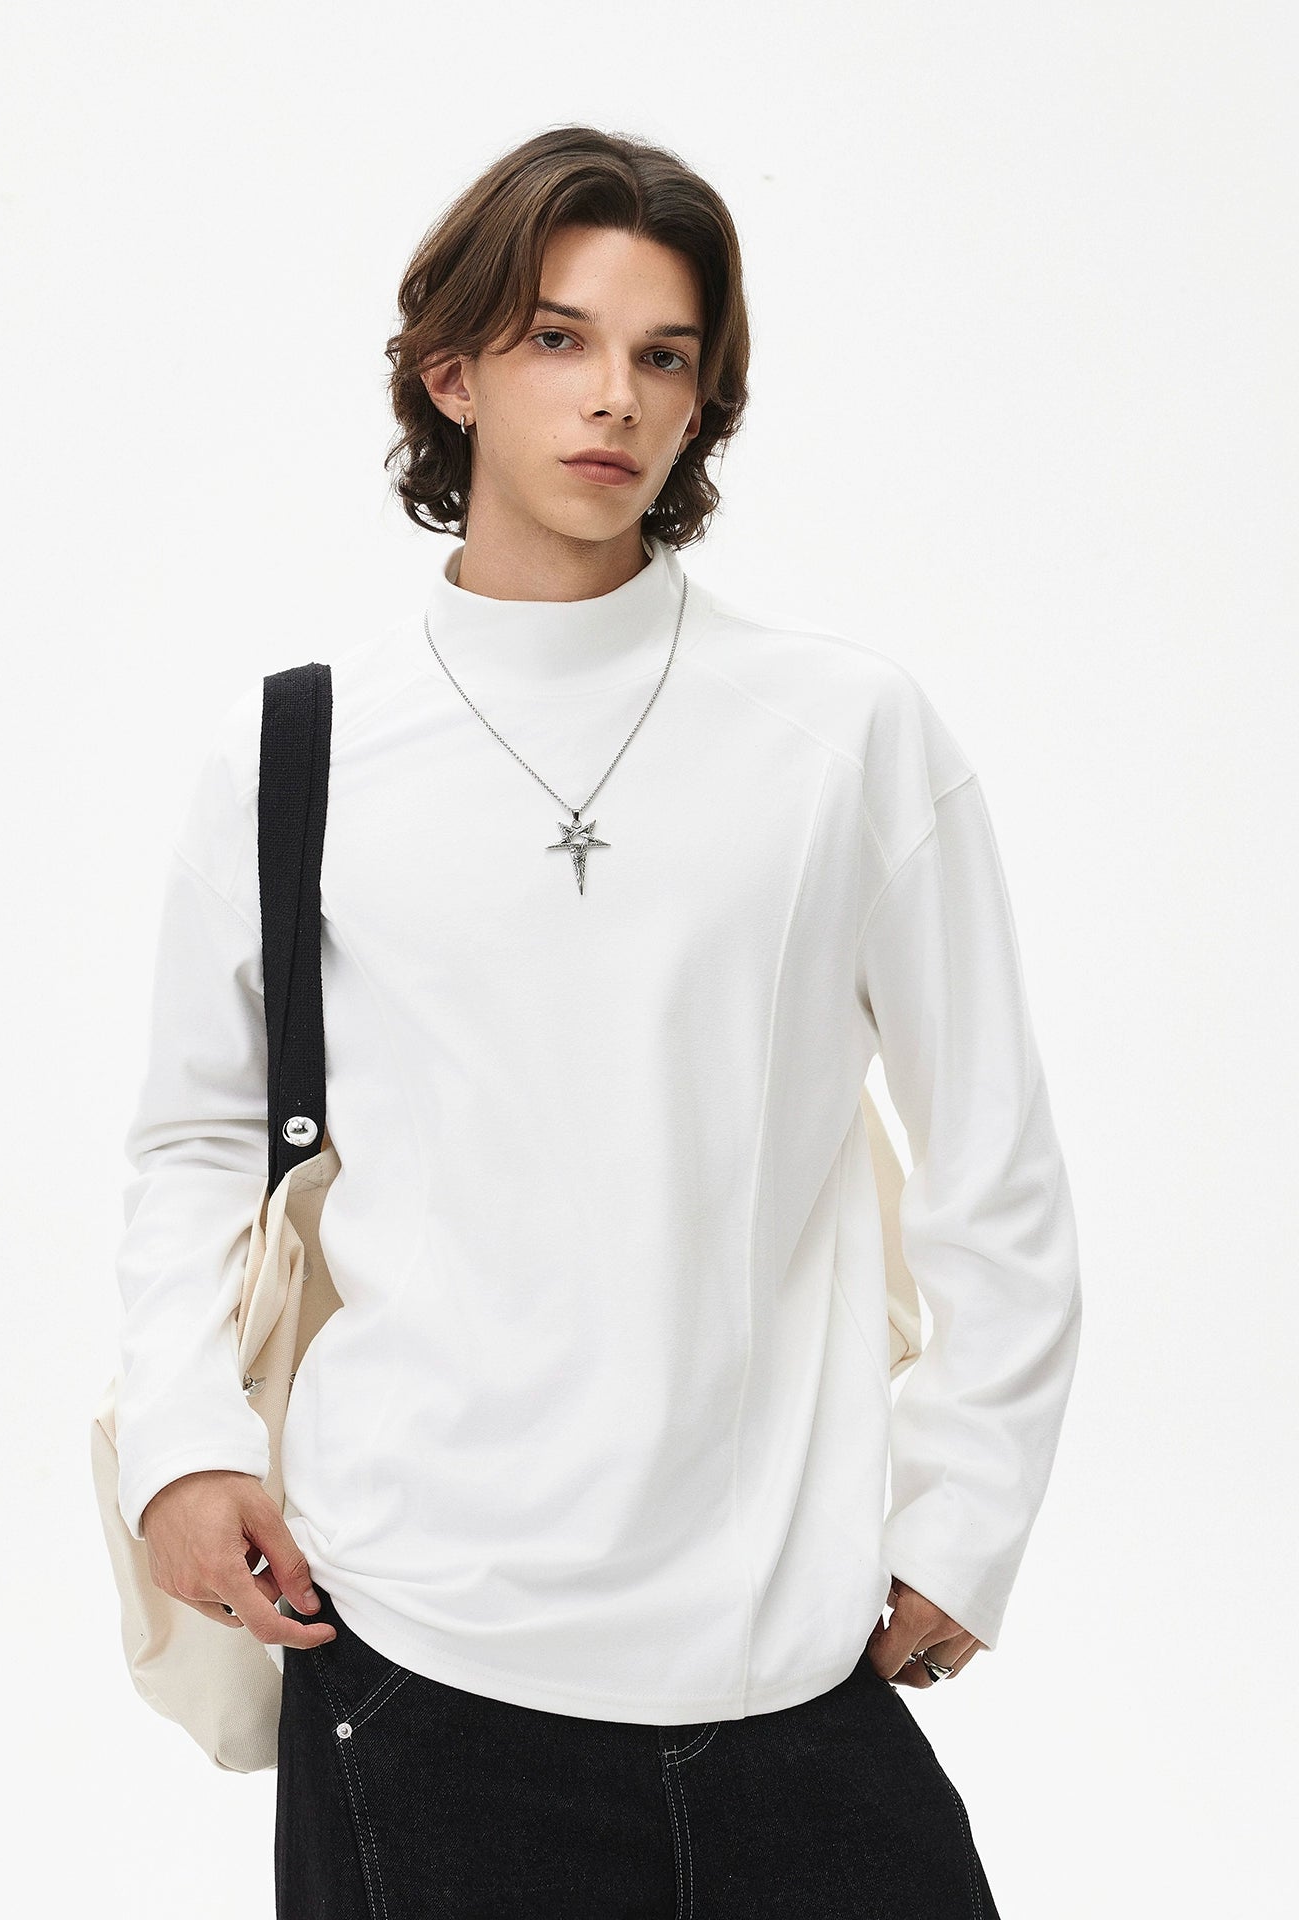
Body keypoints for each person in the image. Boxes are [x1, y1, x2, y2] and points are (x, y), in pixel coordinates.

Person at [111, 124, 1081, 1917]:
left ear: (704, 401)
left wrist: (968, 1511)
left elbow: (996, 1164)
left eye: (665, 355)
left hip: (784, 1659)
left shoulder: (843, 735)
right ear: (451, 374)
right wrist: (185, 1442)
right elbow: (196, 1136)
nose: (614, 397)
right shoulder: (300, 753)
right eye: (558, 338)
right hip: (414, 1656)